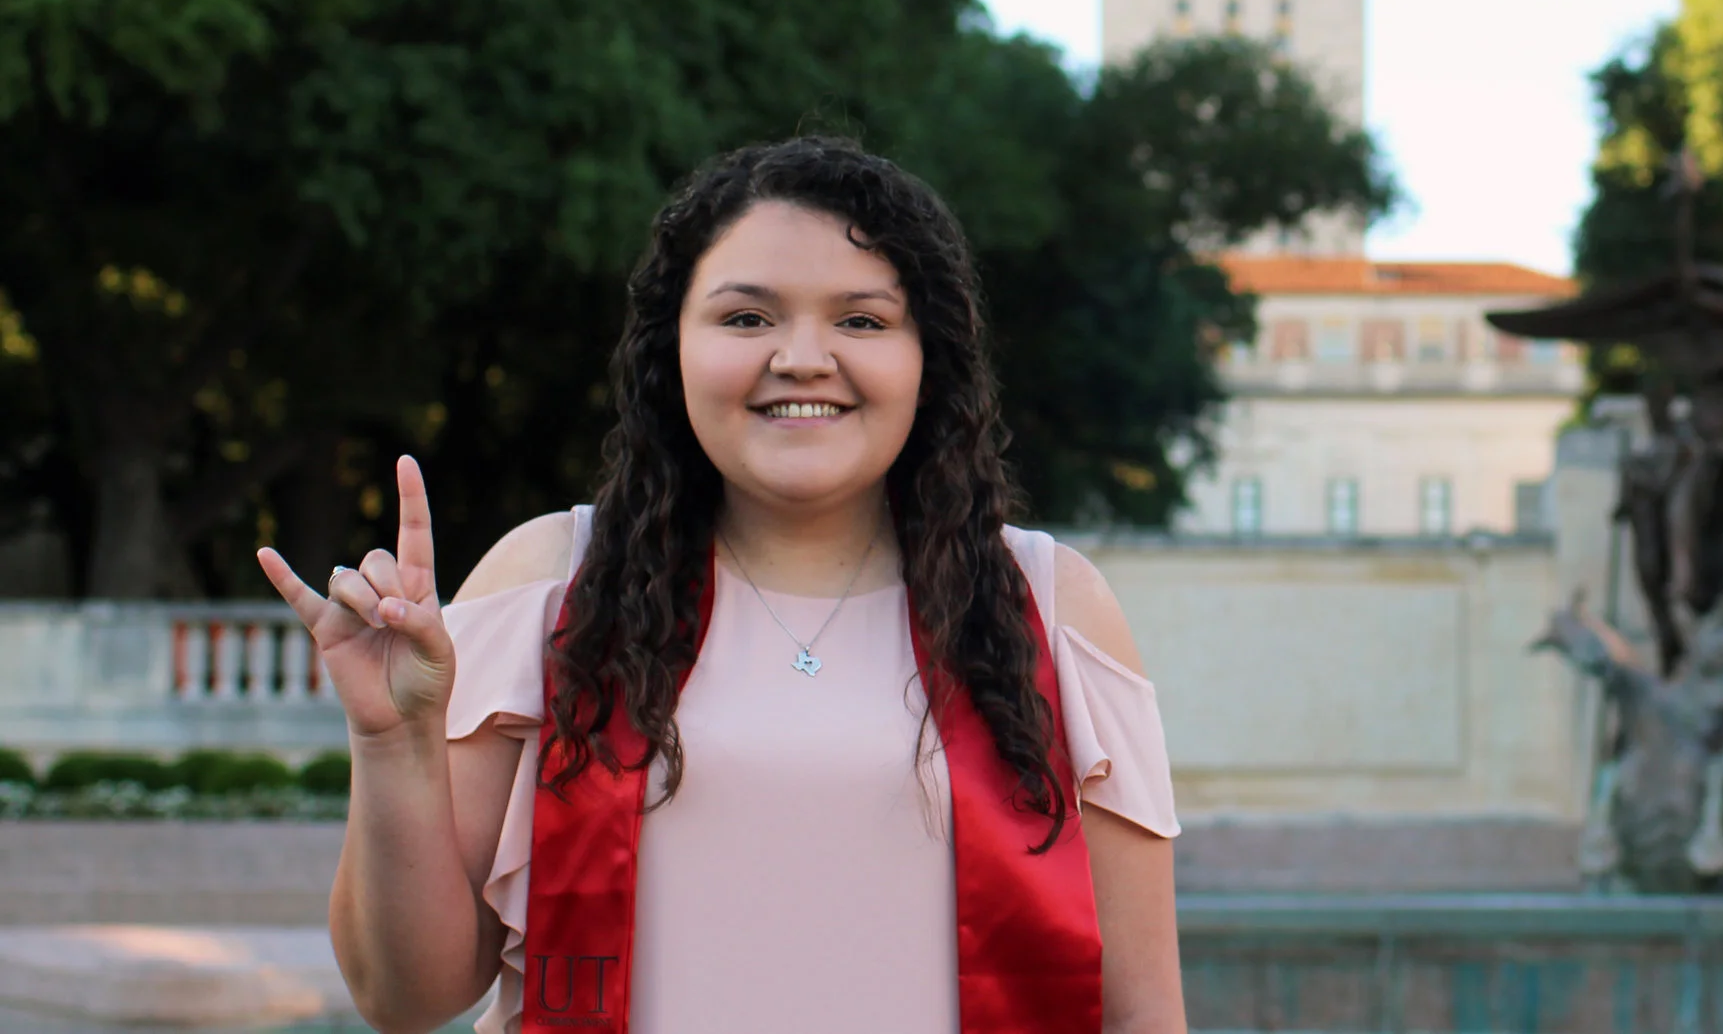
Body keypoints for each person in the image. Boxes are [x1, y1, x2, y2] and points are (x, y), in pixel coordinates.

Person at [257, 137, 1186, 1034]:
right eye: (747, 318)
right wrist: (391, 742)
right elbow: (404, 1000)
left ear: (927, 359)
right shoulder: (549, 584)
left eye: (861, 320)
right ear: (675, 352)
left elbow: (1140, 1011)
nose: (802, 358)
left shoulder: (1049, 610)